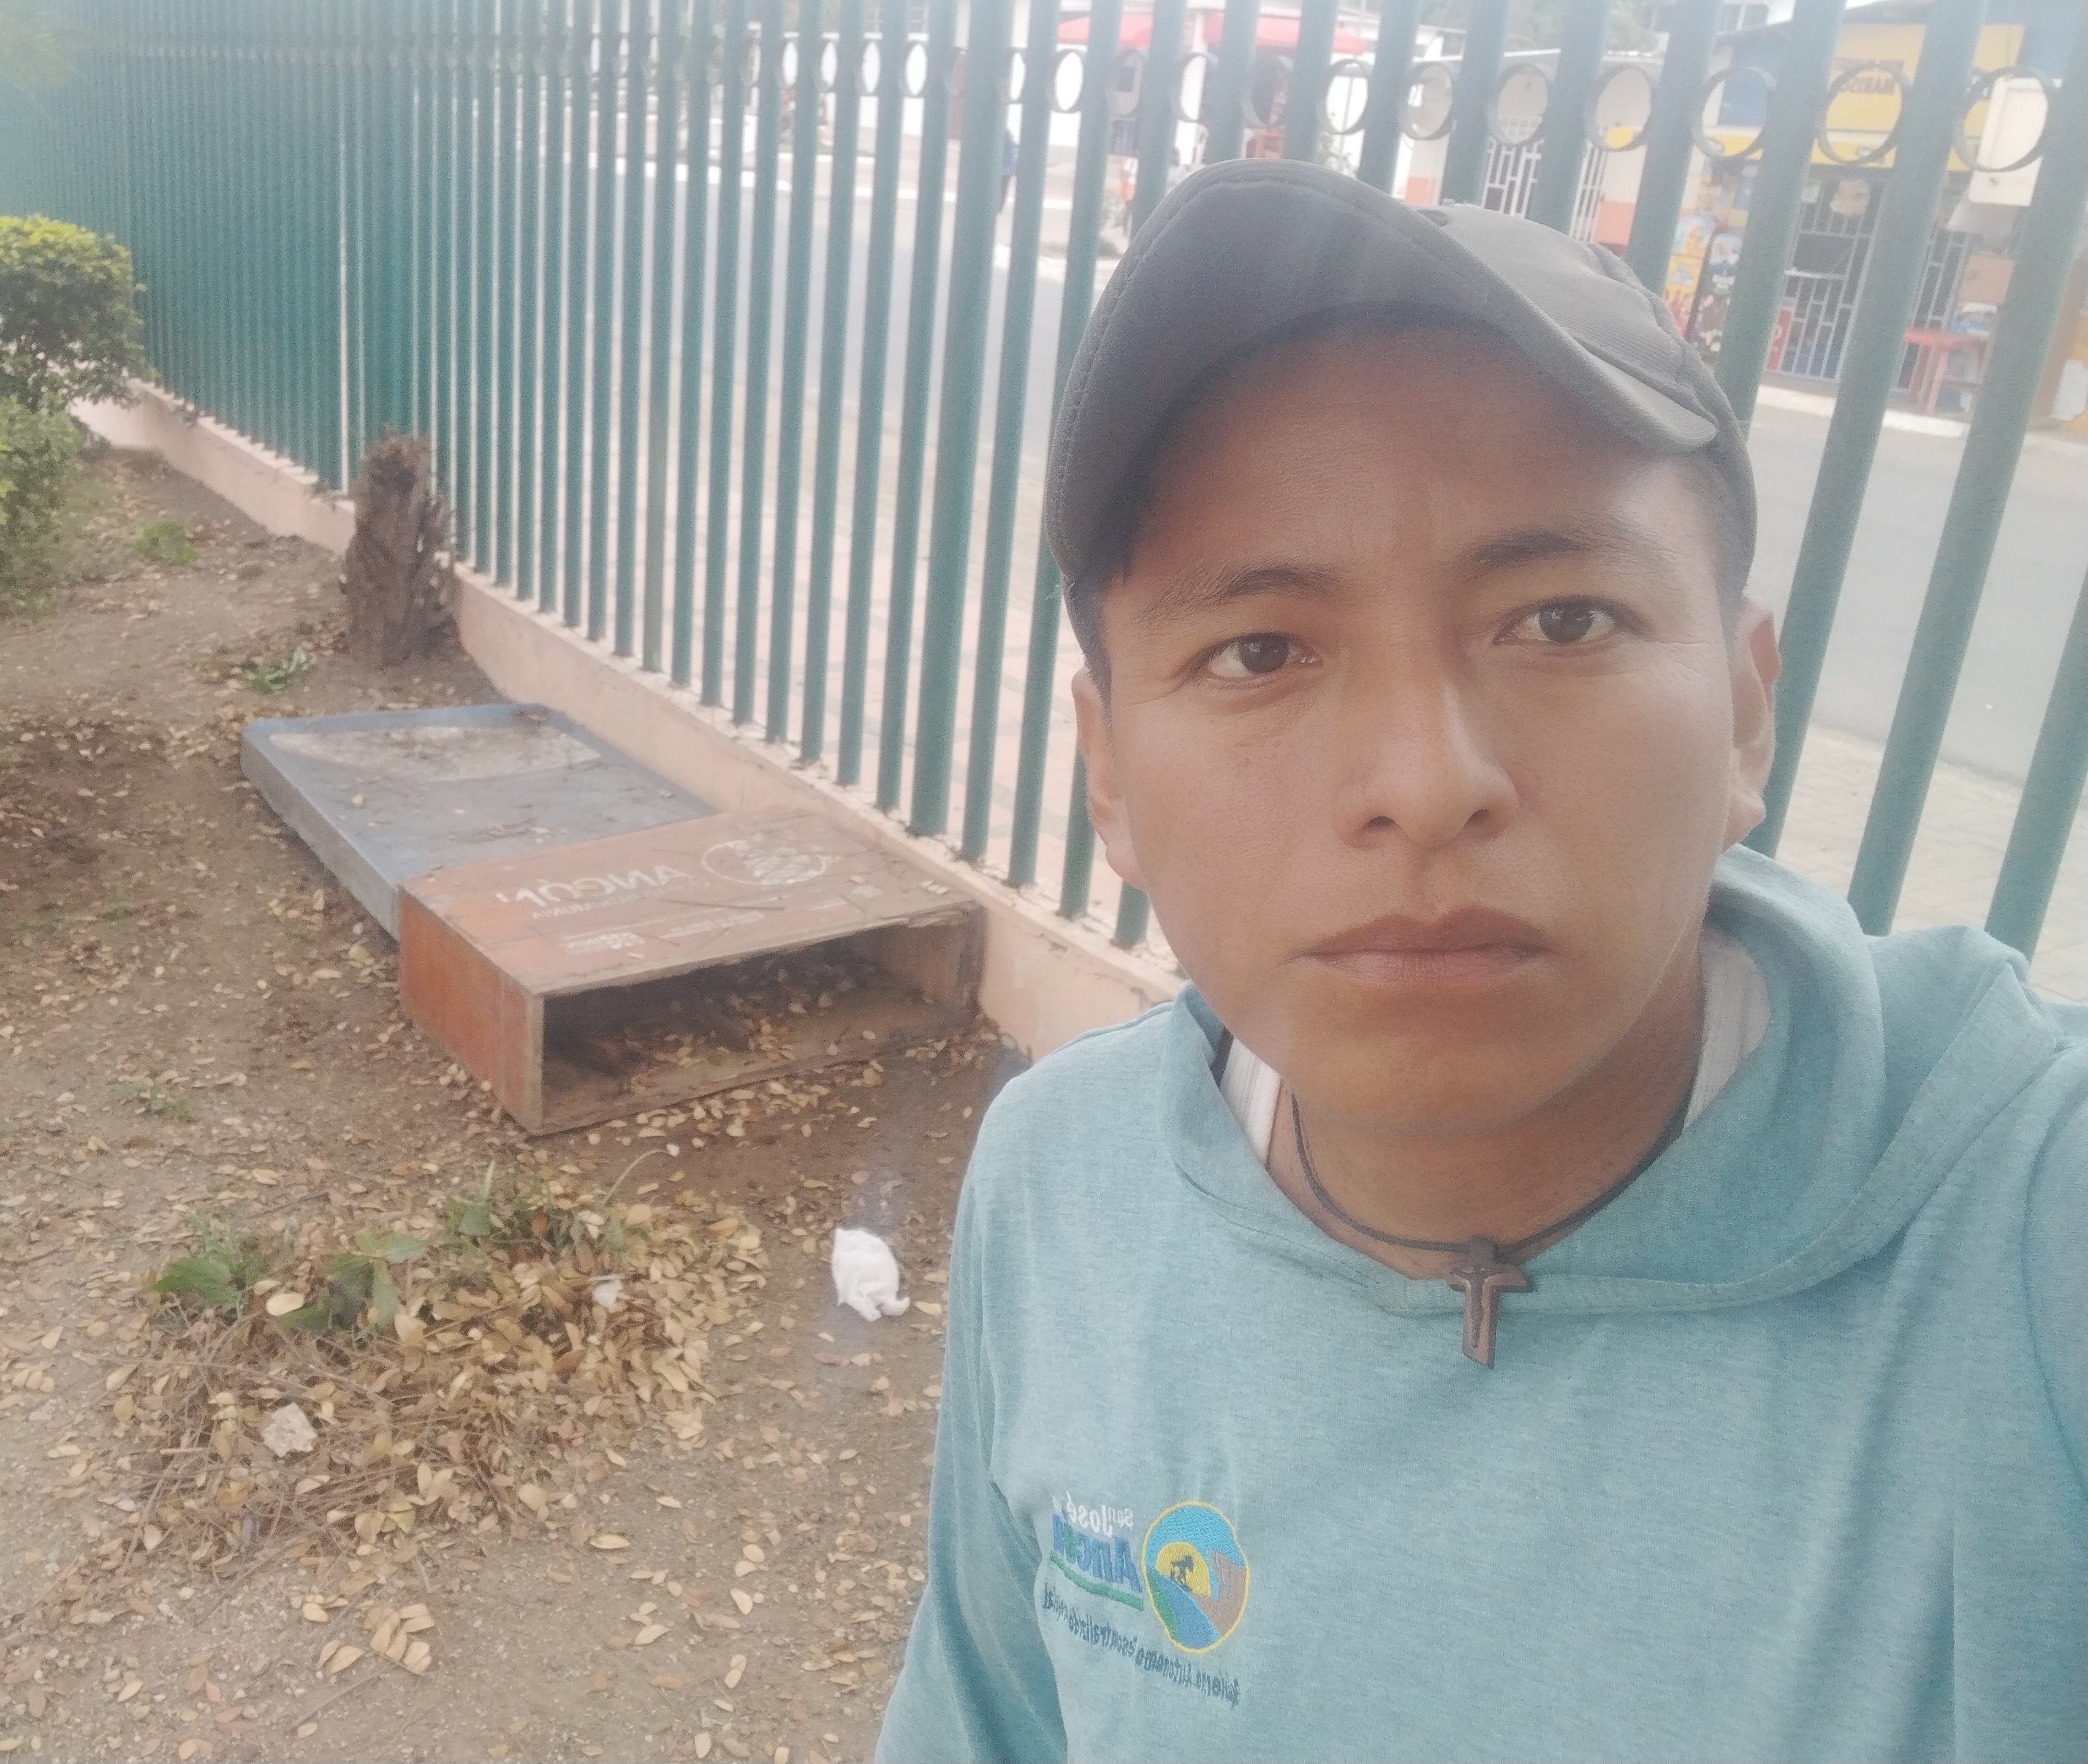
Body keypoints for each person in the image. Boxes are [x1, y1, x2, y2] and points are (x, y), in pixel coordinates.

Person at [873, 159, 2084, 1764]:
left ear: (1743, 711)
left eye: (1562, 621)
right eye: (1259, 650)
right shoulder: (1062, 1183)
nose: (1428, 781)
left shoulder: (2026, 1248)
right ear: (1108, 773)